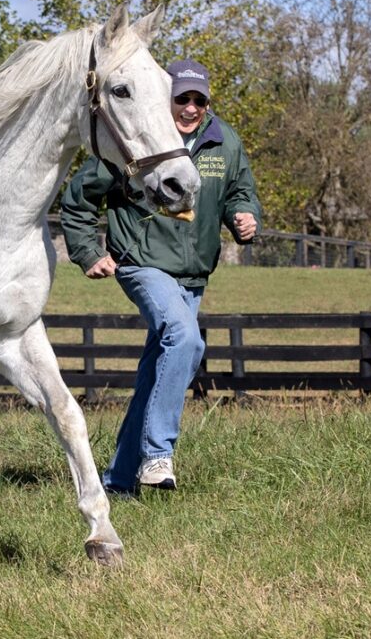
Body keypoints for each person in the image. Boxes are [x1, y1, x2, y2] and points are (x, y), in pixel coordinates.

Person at [60, 58, 262, 495]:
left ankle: (117, 481)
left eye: (198, 99)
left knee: (160, 372)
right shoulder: (136, 140)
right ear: (166, 98)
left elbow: (239, 191)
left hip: (193, 274)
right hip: (142, 261)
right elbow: (77, 201)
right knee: (186, 340)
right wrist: (87, 251)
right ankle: (157, 454)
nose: (189, 107)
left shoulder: (223, 141)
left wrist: (245, 217)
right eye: (181, 98)